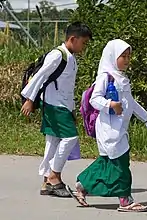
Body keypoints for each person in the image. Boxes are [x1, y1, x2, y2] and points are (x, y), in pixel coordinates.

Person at [66, 39, 147, 212]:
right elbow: (94, 99)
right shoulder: (105, 77)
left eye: (129, 56)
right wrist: (111, 105)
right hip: (109, 130)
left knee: (106, 163)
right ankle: (125, 201)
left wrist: (146, 117)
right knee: (121, 165)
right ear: (112, 56)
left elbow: (131, 102)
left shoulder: (122, 78)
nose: (127, 60)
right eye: (123, 56)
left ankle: (82, 185)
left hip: (118, 129)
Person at [21, 22, 93, 197]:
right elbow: (39, 77)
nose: (84, 47)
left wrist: (73, 109)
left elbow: (67, 87)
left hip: (63, 106)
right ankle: (54, 177)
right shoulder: (57, 55)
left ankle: (46, 181)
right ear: (72, 39)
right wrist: (30, 99)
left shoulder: (71, 57)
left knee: (52, 141)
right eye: (83, 42)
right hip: (55, 106)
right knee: (71, 138)